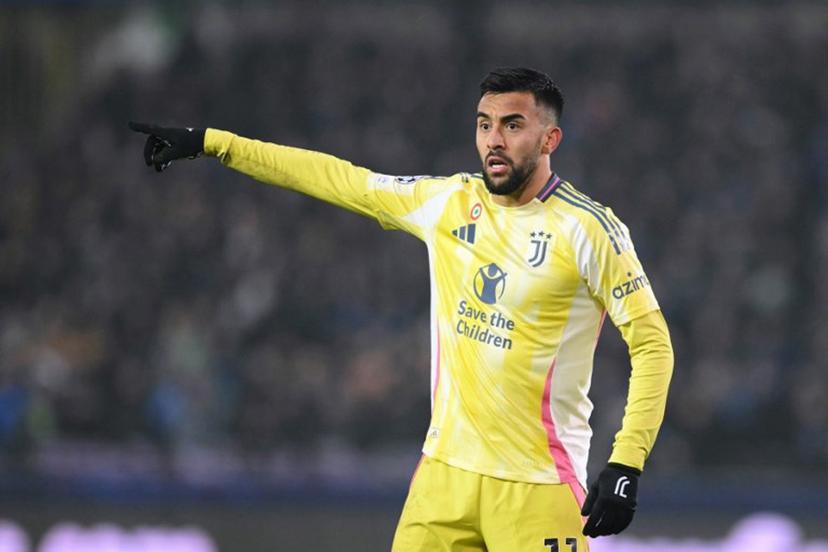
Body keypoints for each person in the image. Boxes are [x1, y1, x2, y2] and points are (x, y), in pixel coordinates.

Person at [130, 67, 673, 551]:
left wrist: (626, 461)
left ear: (550, 137)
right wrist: (212, 142)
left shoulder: (591, 231)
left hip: (538, 486)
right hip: (443, 477)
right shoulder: (448, 202)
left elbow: (653, 345)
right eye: (484, 124)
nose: (494, 141)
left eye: (512, 125)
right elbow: (338, 178)